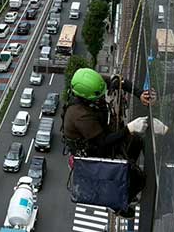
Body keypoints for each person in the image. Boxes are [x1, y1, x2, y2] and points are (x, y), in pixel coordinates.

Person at [62, 68, 153, 217]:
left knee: (136, 142)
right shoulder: (79, 115)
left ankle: (127, 168)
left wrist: (139, 93)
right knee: (138, 179)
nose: (102, 96)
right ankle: (118, 204)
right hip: (93, 151)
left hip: (102, 136)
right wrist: (129, 128)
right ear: (86, 97)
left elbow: (118, 81)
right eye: (97, 97)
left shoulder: (92, 84)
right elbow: (103, 142)